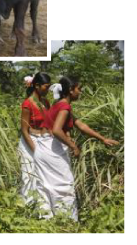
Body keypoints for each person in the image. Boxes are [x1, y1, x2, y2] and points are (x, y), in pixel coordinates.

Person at [34, 76, 119, 221]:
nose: (80, 92)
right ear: (70, 90)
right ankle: (69, 222)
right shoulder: (64, 107)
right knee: (65, 186)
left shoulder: (60, 104)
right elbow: (56, 130)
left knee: (48, 185)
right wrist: (73, 146)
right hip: (51, 148)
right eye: (79, 89)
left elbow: (81, 125)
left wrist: (103, 139)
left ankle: (47, 221)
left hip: (43, 148)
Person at [18, 72, 51, 204]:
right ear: (37, 86)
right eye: (46, 87)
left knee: (43, 174)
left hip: (43, 141)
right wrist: (35, 150)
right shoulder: (27, 104)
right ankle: (28, 207)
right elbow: (24, 130)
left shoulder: (46, 102)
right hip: (29, 142)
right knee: (29, 174)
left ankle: (42, 207)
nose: (48, 90)